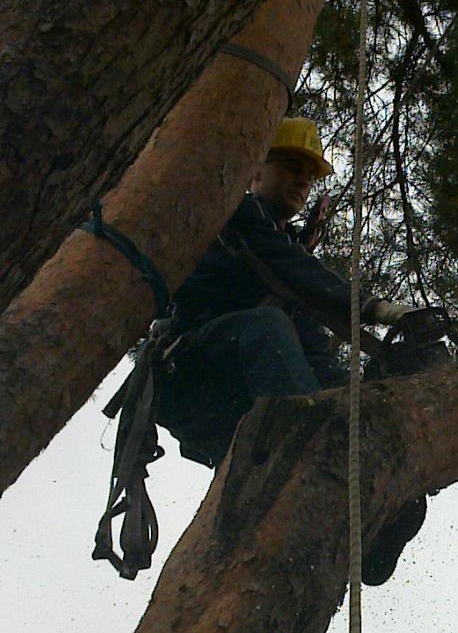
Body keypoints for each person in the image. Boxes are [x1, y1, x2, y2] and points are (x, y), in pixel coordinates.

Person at [152, 117, 426, 584]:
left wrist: (370, 394)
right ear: (255, 172)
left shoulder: (291, 266)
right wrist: (376, 308)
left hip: (246, 405)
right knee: (267, 327)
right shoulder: (237, 218)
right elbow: (290, 268)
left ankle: (374, 526)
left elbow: (314, 358)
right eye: (291, 167)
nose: (303, 181)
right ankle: (311, 445)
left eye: (310, 173)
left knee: (350, 395)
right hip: (195, 371)